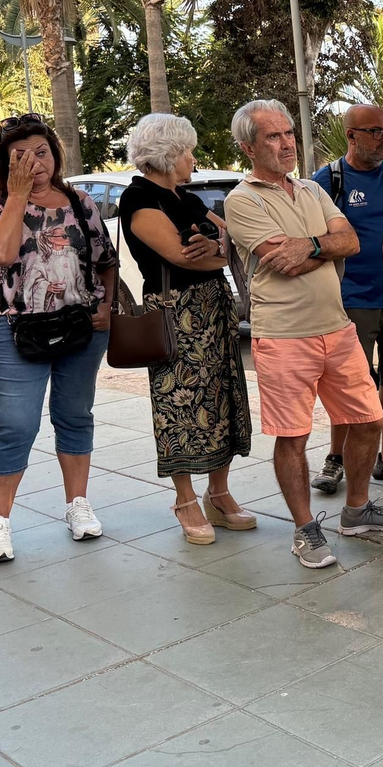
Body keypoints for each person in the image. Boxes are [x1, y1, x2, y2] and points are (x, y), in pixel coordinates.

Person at [224, 99, 383, 569]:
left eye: (288, 133)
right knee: (293, 435)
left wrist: (308, 246)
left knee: (368, 421)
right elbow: (278, 261)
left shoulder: (311, 189)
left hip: (337, 326)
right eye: (273, 136)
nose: (287, 143)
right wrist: (323, 246)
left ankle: (357, 510)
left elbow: (351, 241)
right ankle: (306, 529)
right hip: (284, 334)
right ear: (248, 146)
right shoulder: (242, 200)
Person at [0, 114, 117, 564]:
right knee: (16, 423)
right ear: (4, 164)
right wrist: (17, 197)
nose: (36, 162)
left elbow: (105, 259)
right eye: (21, 156)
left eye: (42, 152)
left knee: (75, 415)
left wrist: (106, 306)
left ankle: (77, 505)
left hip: (80, 326)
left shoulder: (81, 201)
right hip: (17, 328)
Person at [117, 114, 254, 545]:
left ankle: (219, 492)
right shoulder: (139, 199)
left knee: (224, 397)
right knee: (178, 405)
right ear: (168, 154)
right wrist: (214, 250)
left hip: (214, 308)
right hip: (175, 314)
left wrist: (215, 247)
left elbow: (230, 245)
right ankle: (185, 499)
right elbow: (181, 256)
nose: (193, 158)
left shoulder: (185, 198)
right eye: (188, 151)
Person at [309, 103, 383, 492]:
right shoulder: (328, 180)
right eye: (375, 132)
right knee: (349, 383)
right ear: (351, 136)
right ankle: (336, 458)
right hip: (352, 300)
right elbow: (315, 239)